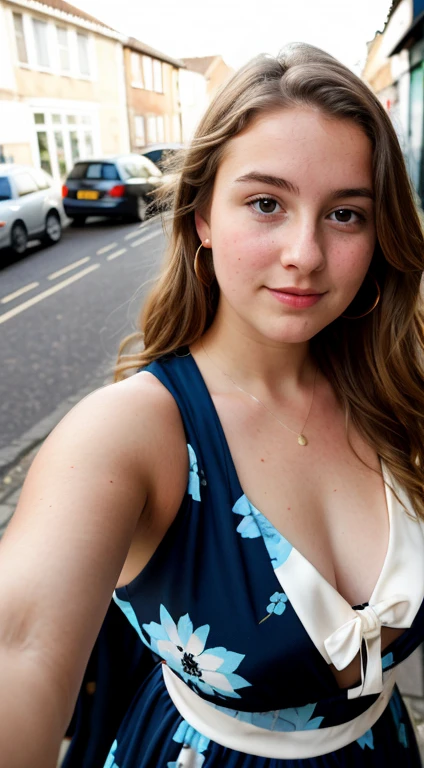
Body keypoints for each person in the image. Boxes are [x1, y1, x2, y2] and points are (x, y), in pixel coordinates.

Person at [1, 41, 424, 768]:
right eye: (266, 203)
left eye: (346, 215)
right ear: (201, 217)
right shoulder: (132, 433)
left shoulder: (398, 395)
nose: (305, 253)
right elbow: (23, 649)